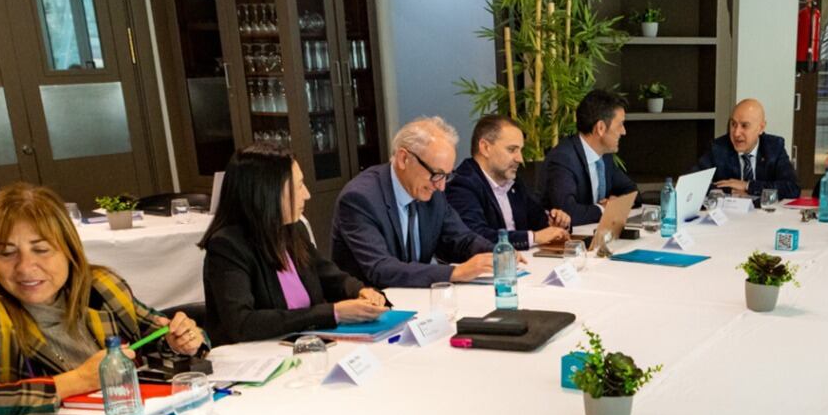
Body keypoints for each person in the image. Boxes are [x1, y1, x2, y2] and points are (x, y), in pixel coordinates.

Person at [0, 184, 205, 415]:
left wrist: (181, 341)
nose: (26, 267)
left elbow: (156, 335)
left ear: (69, 251)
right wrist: (78, 380)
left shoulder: (100, 288)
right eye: (6, 253)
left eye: (41, 250)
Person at [200, 146, 388, 345]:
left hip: (303, 347)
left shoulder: (292, 228)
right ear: (268, 192)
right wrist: (332, 313)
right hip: (257, 359)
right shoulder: (227, 245)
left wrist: (359, 291)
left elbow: (328, 275)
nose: (306, 194)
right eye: (298, 186)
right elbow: (243, 323)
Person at [329, 117, 501, 288]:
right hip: (373, 303)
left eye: (446, 176)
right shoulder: (360, 199)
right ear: (403, 159)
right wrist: (454, 273)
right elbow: (381, 269)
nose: (441, 186)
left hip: (417, 297)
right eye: (436, 173)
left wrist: (497, 252)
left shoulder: (430, 190)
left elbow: (460, 239)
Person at [446, 115, 571, 251]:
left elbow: (537, 218)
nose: (520, 159)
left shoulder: (513, 182)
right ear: (485, 147)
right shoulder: (462, 184)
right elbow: (475, 236)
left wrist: (554, 222)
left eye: (520, 150)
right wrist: (534, 237)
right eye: (512, 150)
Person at [542, 89, 639, 225]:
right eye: (620, 125)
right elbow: (567, 212)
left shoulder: (605, 157)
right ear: (600, 128)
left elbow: (632, 191)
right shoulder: (563, 159)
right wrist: (604, 209)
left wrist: (616, 201)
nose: (624, 132)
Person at [695, 98, 801, 203]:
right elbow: (691, 184)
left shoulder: (774, 147)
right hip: (730, 216)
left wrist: (747, 186)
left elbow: (792, 188)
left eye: (744, 126)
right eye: (733, 124)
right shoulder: (718, 148)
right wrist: (731, 191)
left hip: (765, 216)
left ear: (761, 128)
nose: (736, 133)